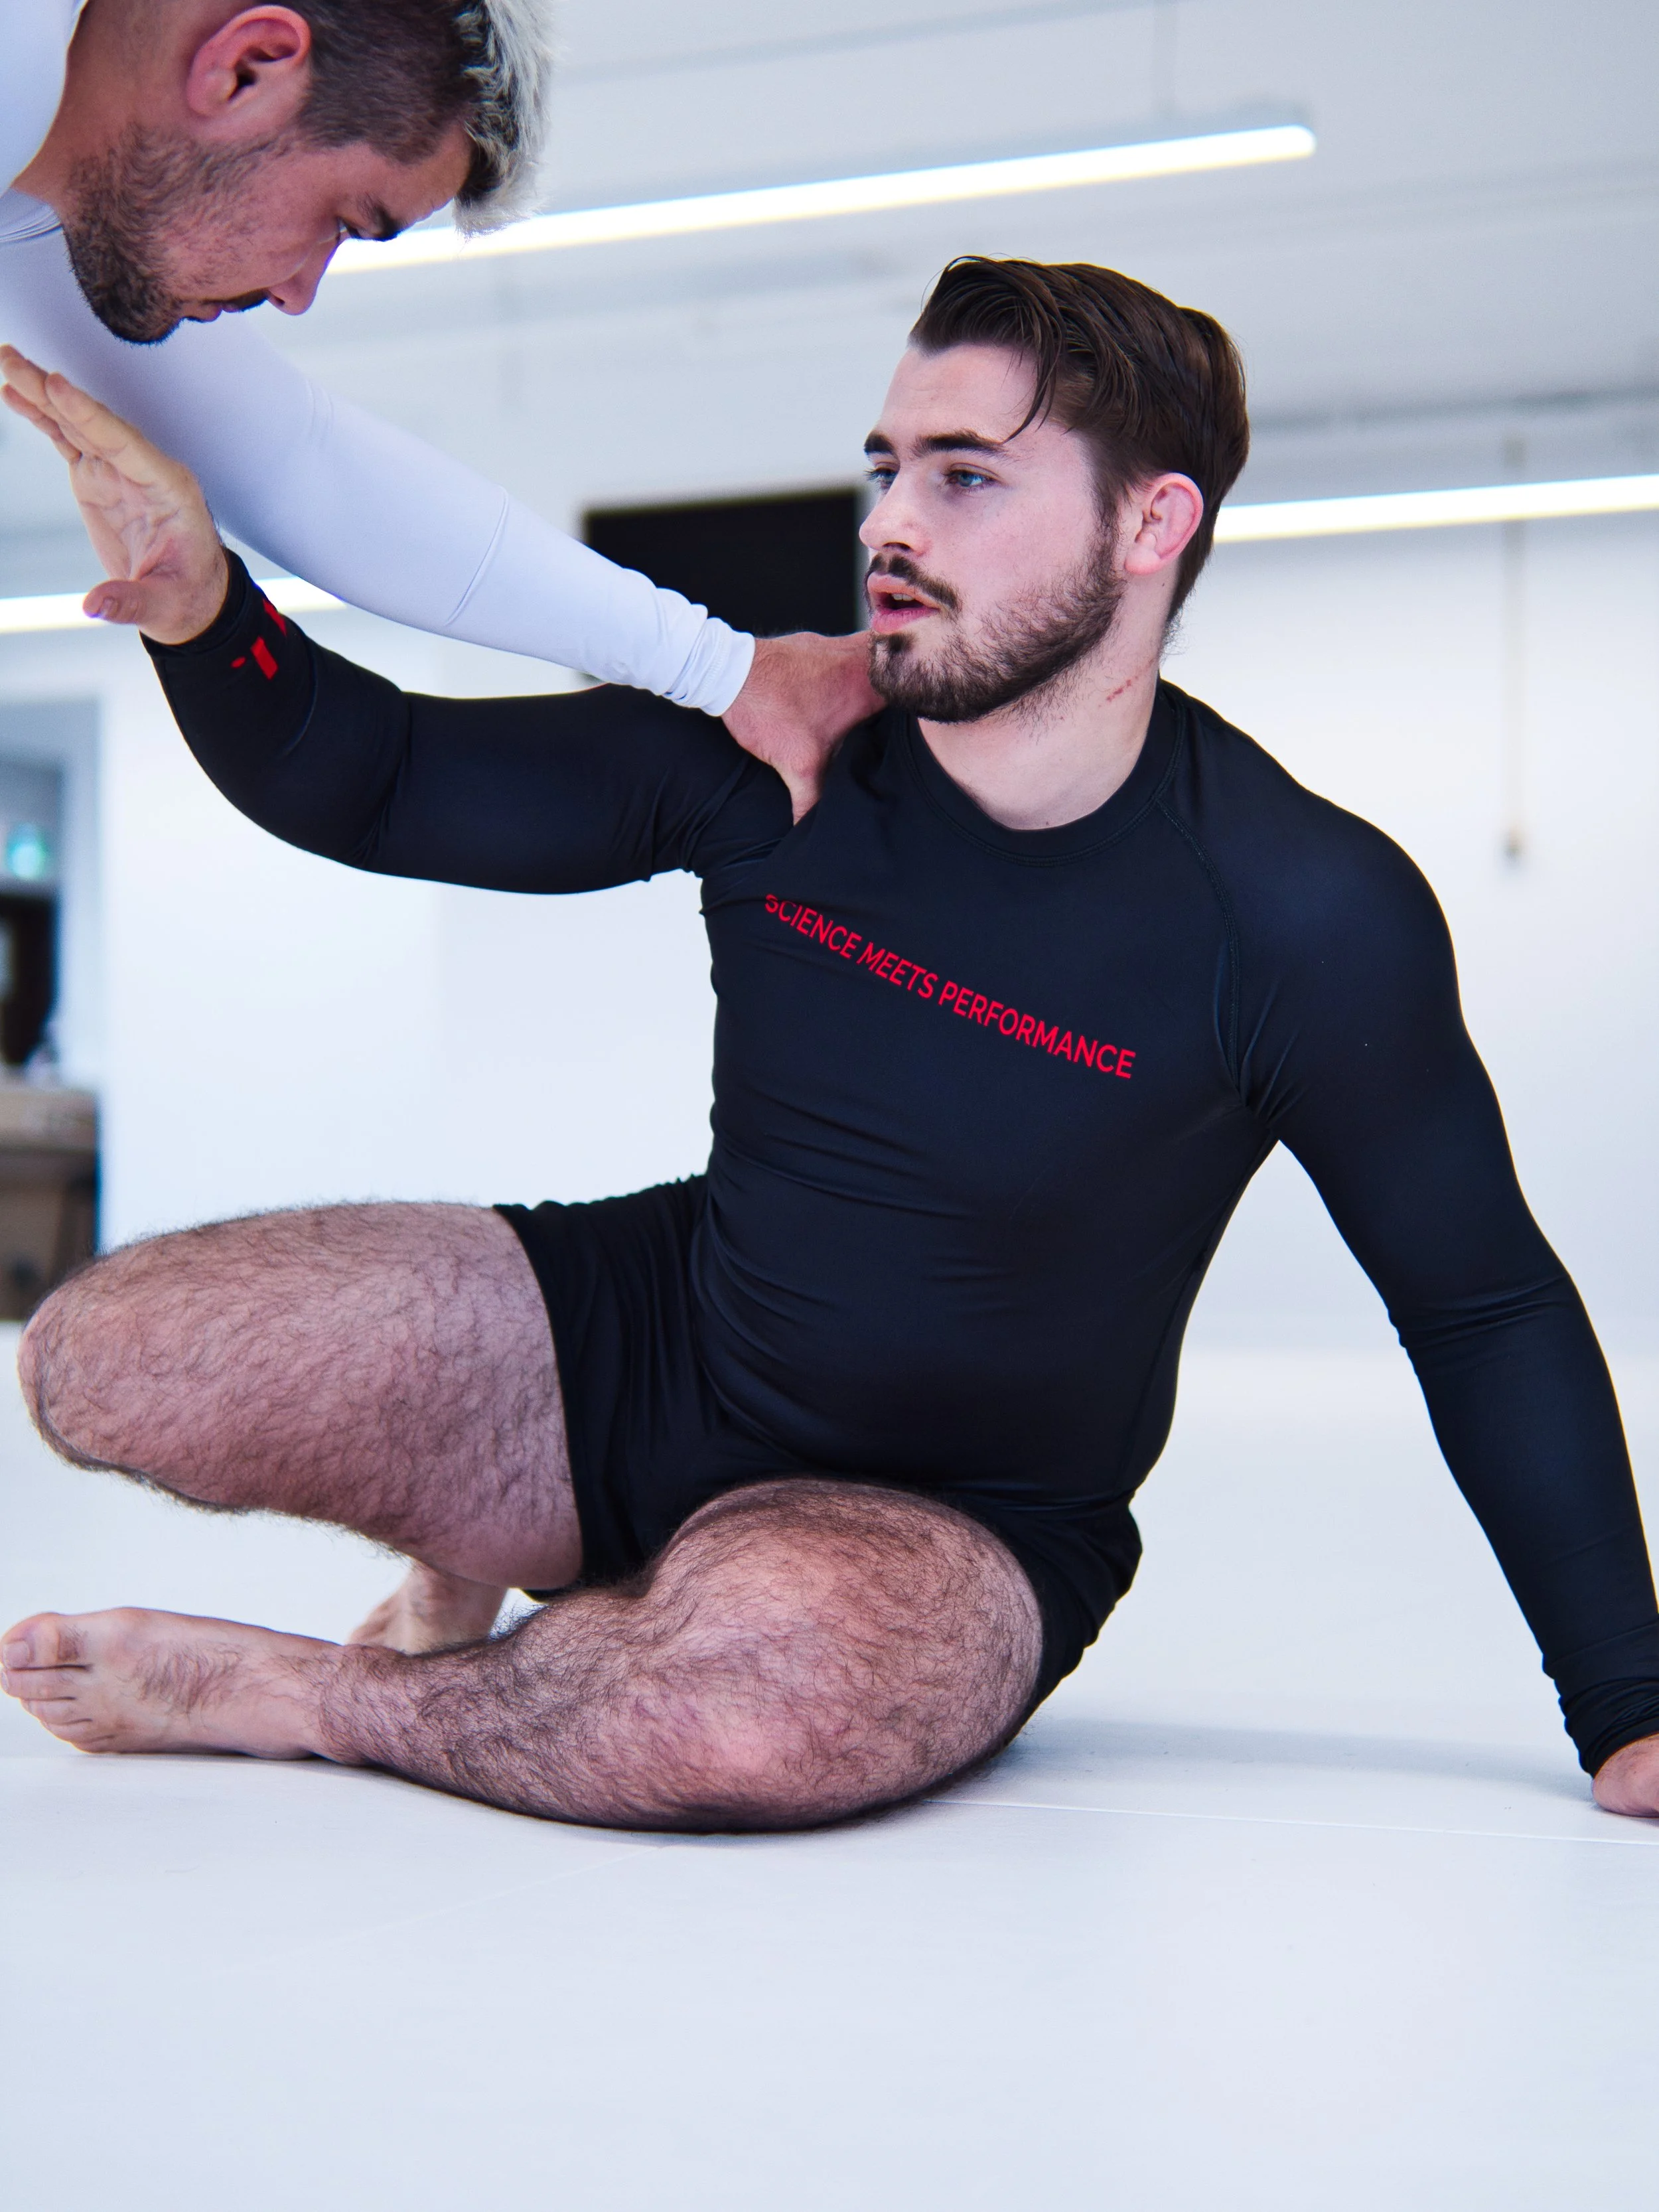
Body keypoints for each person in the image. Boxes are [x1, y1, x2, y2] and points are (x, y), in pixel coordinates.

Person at [5, 256, 1659, 1832]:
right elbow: (369, 780)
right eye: (885, 469)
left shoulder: (1298, 910)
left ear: (1150, 524)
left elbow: (1480, 1308)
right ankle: (503, 1555)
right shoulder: (790, 742)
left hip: (949, 1522)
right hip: (645, 1355)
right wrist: (204, 613)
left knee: (732, 1716)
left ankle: (309, 1695)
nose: (886, 524)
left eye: (964, 476)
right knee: (97, 1357)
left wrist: (1627, 1704)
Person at [2, 0, 873, 802]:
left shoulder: (47, 177)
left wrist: (726, 670)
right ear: (247, 67)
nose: (299, 294)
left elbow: (305, 468)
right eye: (344, 221)